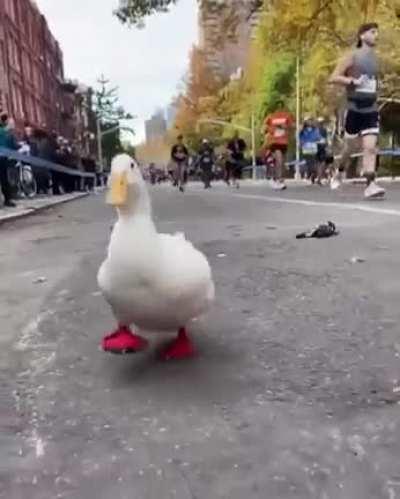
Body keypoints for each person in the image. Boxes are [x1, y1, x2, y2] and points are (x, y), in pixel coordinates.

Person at [329, 22, 384, 199]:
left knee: (370, 147)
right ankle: (339, 170)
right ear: (362, 36)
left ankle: (370, 184)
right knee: (349, 147)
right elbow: (334, 77)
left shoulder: (375, 59)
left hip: (371, 109)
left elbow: (374, 81)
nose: (376, 35)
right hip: (354, 109)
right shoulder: (352, 56)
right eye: (372, 32)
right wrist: (352, 82)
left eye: (377, 32)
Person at [264, 103, 294, 190]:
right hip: (274, 142)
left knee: (282, 162)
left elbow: (292, 126)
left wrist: (286, 127)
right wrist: (272, 130)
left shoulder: (287, 116)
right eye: (278, 106)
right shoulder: (271, 116)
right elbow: (265, 127)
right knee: (279, 160)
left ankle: (279, 179)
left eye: (281, 106)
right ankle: (278, 179)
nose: (279, 108)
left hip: (284, 142)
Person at [0, 113, 18, 207]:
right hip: (3, 158)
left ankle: (7, 199)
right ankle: (7, 199)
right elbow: (12, 145)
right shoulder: (6, 133)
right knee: (4, 179)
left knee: (4, 179)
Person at [299, 117, 321, 183]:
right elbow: (300, 138)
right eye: (308, 121)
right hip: (306, 148)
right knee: (308, 162)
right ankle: (310, 174)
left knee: (313, 162)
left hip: (313, 148)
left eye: (311, 120)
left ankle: (313, 175)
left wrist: (320, 140)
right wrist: (301, 143)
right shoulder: (302, 130)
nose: (310, 122)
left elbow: (318, 137)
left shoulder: (315, 130)